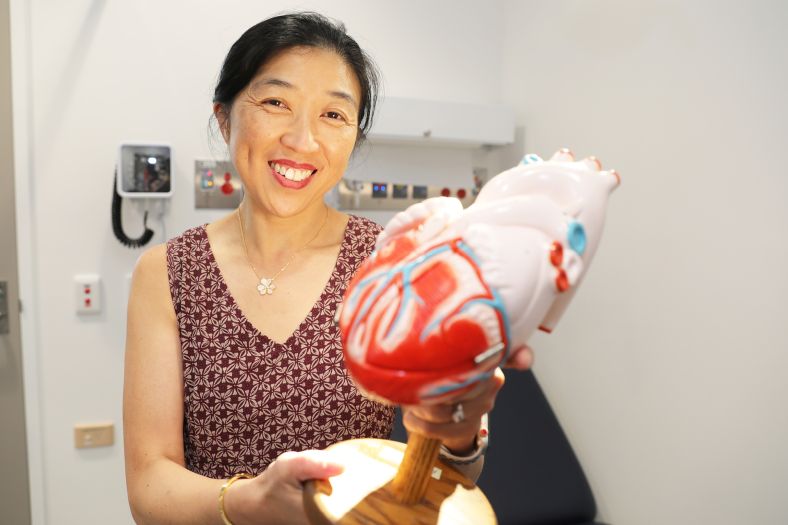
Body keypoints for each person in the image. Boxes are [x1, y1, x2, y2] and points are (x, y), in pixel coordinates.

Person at [123, 12, 533, 525]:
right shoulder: (166, 274)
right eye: (276, 102)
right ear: (225, 118)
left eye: (333, 116)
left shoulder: (390, 262)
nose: (302, 139)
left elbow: (453, 473)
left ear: (353, 140)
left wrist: (458, 431)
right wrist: (249, 502)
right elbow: (147, 484)